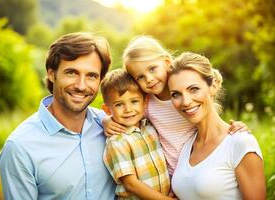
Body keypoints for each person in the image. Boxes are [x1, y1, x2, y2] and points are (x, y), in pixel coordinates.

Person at [104, 35, 248, 177]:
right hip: (170, 176)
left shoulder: (187, 99)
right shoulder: (147, 103)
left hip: (201, 167)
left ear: (167, 62)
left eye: (153, 69)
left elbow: (211, 121)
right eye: (140, 77)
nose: (149, 79)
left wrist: (235, 127)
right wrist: (106, 120)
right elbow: (123, 112)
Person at [0, 32, 116, 200]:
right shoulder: (20, 147)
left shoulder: (111, 125)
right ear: (52, 74)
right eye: (72, 73)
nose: (81, 86)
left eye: (91, 75)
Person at [168, 52, 266, 200]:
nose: (185, 101)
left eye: (193, 89)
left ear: (213, 86)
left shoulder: (240, 143)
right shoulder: (186, 146)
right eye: (176, 94)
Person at [101, 69, 174, 200]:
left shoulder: (150, 127)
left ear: (145, 102)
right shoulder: (117, 141)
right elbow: (131, 184)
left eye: (134, 101)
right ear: (107, 110)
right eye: (119, 104)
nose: (128, 109)